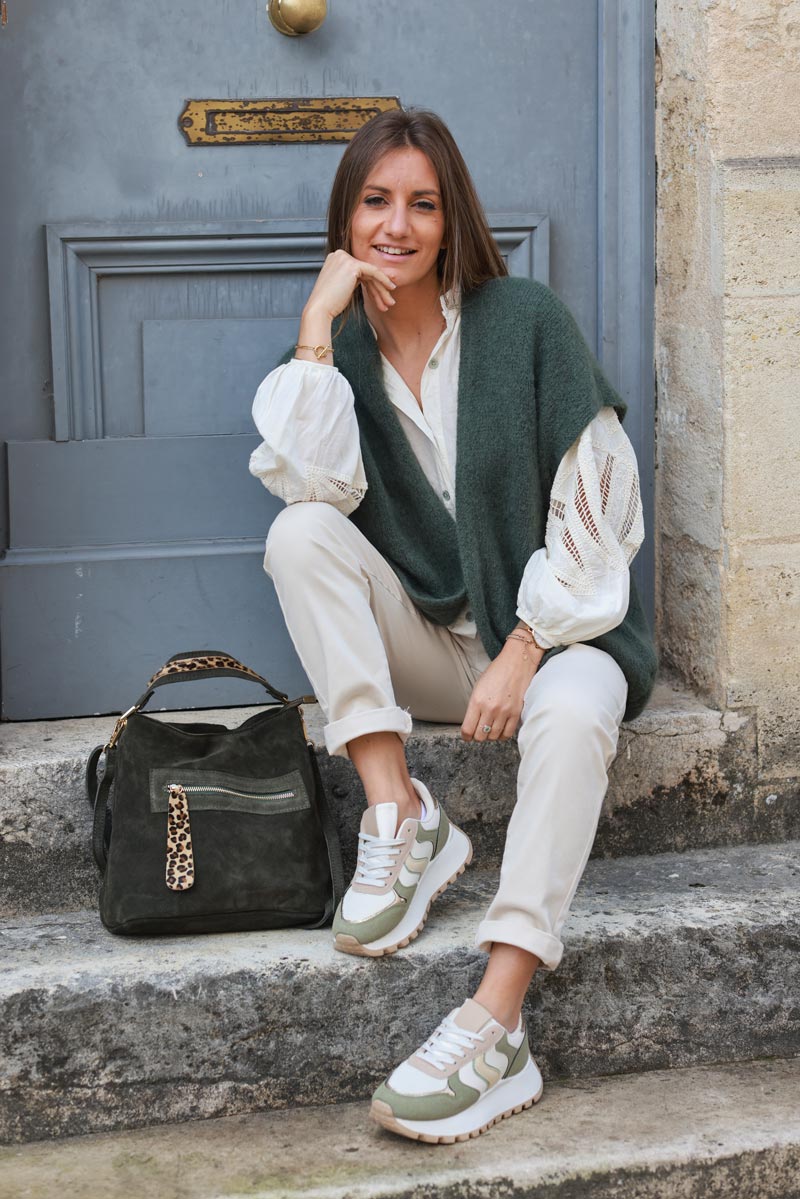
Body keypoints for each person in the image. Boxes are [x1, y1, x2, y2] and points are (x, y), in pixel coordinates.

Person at [249, 107, 657, 1144]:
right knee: (297, 533)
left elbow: (599, 500)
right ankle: (400, 813)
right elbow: (312, 483)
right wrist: (313, 328)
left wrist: (523, 649)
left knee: (569, 718)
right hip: (434, 644)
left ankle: (496, 1017)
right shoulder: (338, 352)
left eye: (421, 204)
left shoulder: (520, 318)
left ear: (450, 219)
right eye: (375, 201)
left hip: (564, 636)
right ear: (346, 217)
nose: (397, 225)